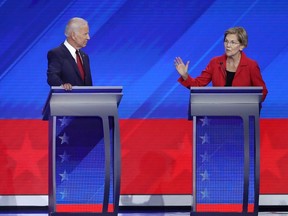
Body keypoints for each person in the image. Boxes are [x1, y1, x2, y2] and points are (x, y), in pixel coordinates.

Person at [174, 27, 268, 102]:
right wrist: (185, 76)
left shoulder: (251, 65)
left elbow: (262, 92)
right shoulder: (215, 62)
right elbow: (197, 85)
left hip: (243, 115)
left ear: (242, 46)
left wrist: (249, 105)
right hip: (219, 111)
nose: (228, 45)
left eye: (232, 42)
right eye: (226, 41)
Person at [47, 17, 93, 90]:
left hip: (85, 100)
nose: (88, 37)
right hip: (66, 99)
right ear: (74, 35)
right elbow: (52, 77)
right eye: (85, 34)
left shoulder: (85, 56)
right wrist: (62, 85)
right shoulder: (56, 53)